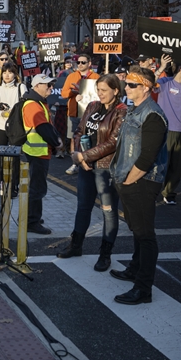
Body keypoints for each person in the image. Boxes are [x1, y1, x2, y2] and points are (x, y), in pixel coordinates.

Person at [109, 67, 169, 305]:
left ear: (146, 87)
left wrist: (129, 180)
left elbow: (147, 158)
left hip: (142, 181)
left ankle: (143, 289)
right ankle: (134, 269)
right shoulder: (136, 110)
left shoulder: (152, 114)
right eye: (127, 84)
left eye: (133, 85)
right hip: (130, 180)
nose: (127, 88)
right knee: (137, 230)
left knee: (145, 235)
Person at [58, 74, 127, 271]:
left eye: (104, 90)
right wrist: (78, 153)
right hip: (86, 165)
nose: (100, 94)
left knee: (109, 211)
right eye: (98, 90)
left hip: (105, 167)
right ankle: (76, 244)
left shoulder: (122, 112)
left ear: (116, 90)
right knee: (83, 206)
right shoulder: (92, 106)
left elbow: (113, 142)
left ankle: (105, 254)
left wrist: (85, 157)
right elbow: (79, 130)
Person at [21, 74, 63, 235]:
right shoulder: (33, 104)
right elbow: (43, 127)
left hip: (38, 151)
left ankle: (33, 217)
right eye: (47, 85)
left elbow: (46, 124)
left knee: (36, 187)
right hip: (37, 152)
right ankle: (32, 221)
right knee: (37, 188)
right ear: (37, 86)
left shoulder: (37, 102)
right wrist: (57, 142)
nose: (51, 88)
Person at [152, 56, 181, 206]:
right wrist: (162, 67)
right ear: (180, 68)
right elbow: (148, 83)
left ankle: (169, 193)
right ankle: (153, 191)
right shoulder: (165, 82)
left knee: (177, 165)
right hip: (165, 130)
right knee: (162, 163)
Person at [0, 62, 27, 195]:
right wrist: (2, 113)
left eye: (10, 72)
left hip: (16, 127)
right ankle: (2, 186)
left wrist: (13, 113)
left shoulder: (21, 87)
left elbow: (25, 106)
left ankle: (14, 186)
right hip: (0, 126)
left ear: (15, 74)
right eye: (4, 72)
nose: (7, 75)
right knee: (2, 157)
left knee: (14, 157)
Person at [61, 54, 100, 174]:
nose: (80, 64)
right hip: (74, 112)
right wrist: (74, 93)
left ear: (89, 63)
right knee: (74, 137)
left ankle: (89, 160)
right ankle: (74, 163)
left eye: (83, 62)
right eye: (78, 62)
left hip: (92, 113)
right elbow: (63, 93)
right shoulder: (72, 76)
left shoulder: (96, 77)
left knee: (91, 137)